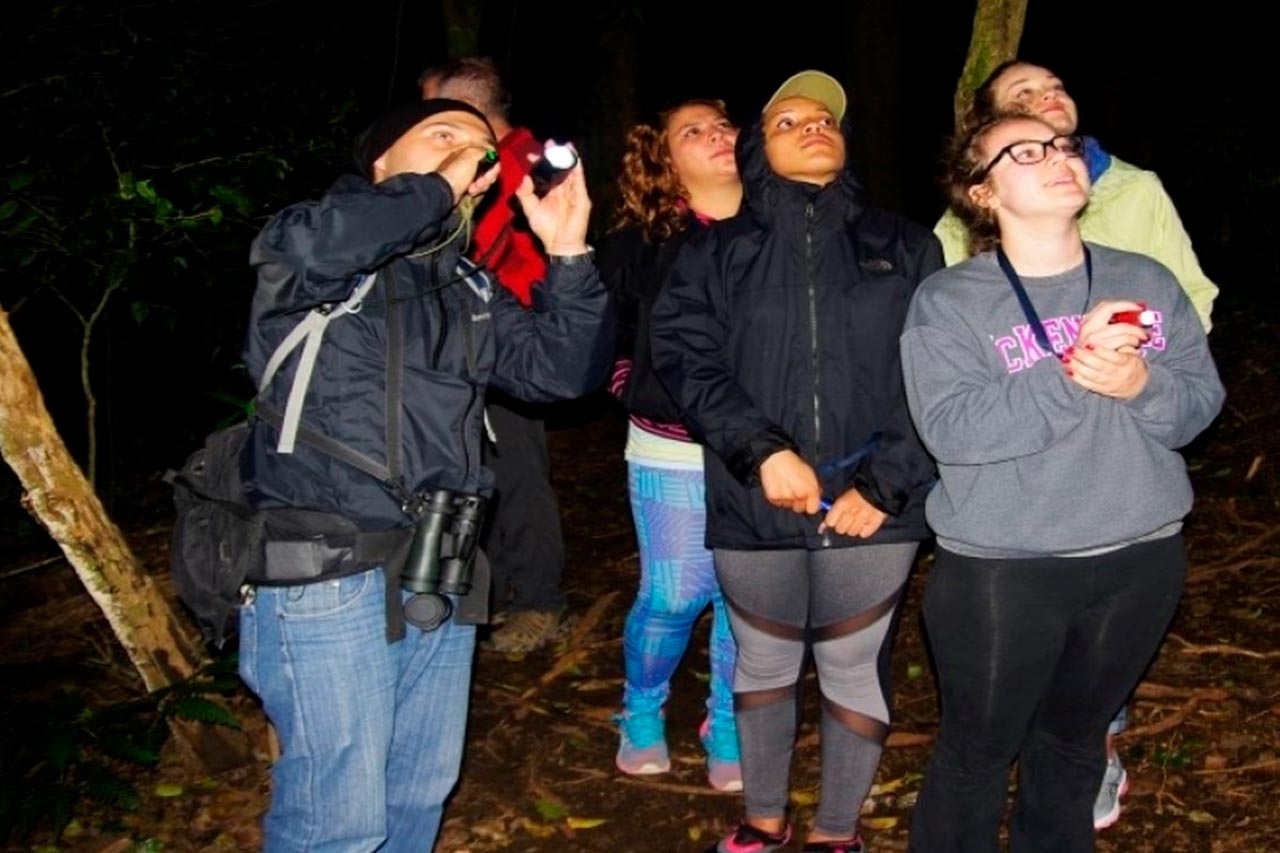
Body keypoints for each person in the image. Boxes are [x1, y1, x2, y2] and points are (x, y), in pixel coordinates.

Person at [237, 98, 612, 852]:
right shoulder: (315, 253)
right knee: (335, 822)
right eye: (442, 136)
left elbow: (565, 374)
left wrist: (569, 253)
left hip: (443, 565)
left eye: (479, 148)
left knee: (415, 796)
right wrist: (441, 185)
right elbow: (315, 249)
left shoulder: (467, 289)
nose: (467, 157)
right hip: (327, 570)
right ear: (380, 165)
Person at [901, 113, 1224, 853]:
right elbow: (952, 431)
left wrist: (1141, 382)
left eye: (1064, 147)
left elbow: (1198, 407)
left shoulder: (1144, 278)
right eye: (1027, 151)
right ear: (982, 191)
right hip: (1004, 571)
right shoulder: (950, 301)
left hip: (1140, 558)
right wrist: (1072, 370)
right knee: (976, 754)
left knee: (1075, 742)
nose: (1058, 157)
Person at [652, 71, 942, 853]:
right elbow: (685, 358)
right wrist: (763, 452)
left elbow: (941, 374)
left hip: (875, 502)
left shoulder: (906, 244)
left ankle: (836, 833)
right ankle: (763, 819)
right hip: (755, 495)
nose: (814, 126)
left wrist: (888, 482)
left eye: (825, 119)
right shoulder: (715, 254)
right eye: (789, 121)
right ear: (756, 151)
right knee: (766, 657)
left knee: (851, 661)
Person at [596, 98, 744, 791]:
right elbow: (604, 332)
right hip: (672, 440)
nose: (717, 136)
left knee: (748, 596)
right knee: (675, 591)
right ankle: (642, 708)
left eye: (723, 125)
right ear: (663, 157)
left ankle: (728, 719)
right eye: (693, 130)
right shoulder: (641, 241)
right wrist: (631, 380)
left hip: (765, 446)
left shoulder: (782, 226)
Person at [419, 57, 569, 652]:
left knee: (518, 474)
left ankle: (539, 602)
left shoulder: (527, 166)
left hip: (512, 342)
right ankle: (492, 596)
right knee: (478, 471)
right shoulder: (496, 162)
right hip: (472, 341)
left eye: (436, 111)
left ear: (469, 110)